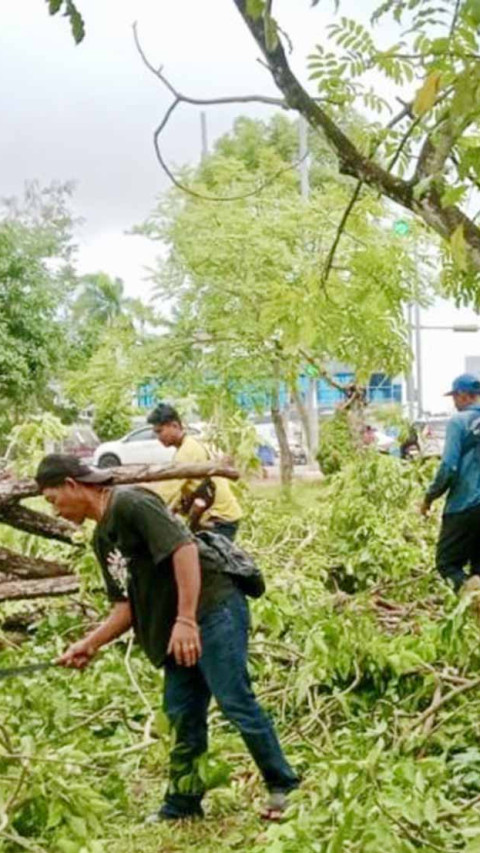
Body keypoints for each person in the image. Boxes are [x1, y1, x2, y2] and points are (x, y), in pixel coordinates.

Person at [35, 454, 298, 822]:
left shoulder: (130, 502)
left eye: (53, 500)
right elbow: (124, 607)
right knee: (181, 714)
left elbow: (184, 548)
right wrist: (89, 644)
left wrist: (187, 620)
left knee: (234, 698)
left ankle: (283, 786)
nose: (56, 511)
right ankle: (182, 805)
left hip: (212, 608)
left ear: (72, 485)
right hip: (178, 626)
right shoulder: (102, 538)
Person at [421, 374, 480, 603]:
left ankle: (473, 598)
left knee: (447, 564)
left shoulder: (459, 421)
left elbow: (448, 467)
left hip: (465, 505)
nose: (454, 402)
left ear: (464, 395)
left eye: (455, 396)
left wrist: (429, 497)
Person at [147, 404, 242, 540]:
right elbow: (176, 494)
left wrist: (149, 511)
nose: (158, 437)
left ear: (174, 425)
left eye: (160, 431)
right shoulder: (190, 445)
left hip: (219, 518)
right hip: (219, 516)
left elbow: (168, 491)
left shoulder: (188, 451)